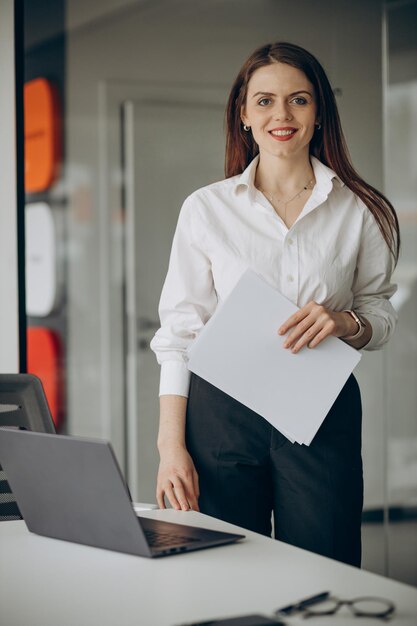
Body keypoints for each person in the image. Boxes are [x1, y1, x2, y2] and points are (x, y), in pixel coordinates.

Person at [150, 42, 400, 567]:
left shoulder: (361, 210)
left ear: (319, 113)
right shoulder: (206, 209)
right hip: (220, 414)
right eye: (264, 101)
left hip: (321, 408)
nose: (280, 115)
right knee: (220, 563)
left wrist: (345, 321)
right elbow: (179, 333)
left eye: (299, 100)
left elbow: (380, 314)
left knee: (325, 564)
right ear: (243, 114)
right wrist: (170, 446)